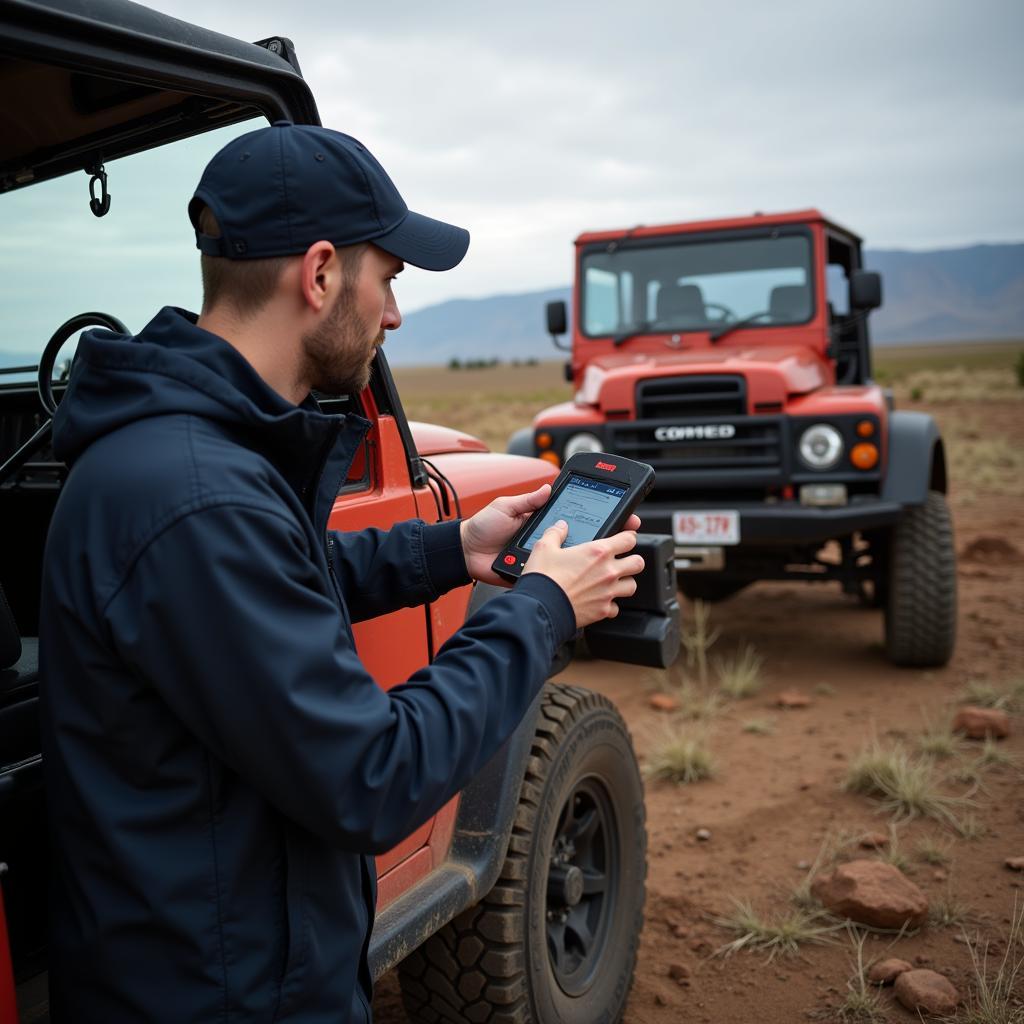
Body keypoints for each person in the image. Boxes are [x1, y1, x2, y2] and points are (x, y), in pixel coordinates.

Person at [39, 121, 643, 1023]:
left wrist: (455, 548)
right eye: (389, 278)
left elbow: (279, 576)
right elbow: (373, 775)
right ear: (320, 275)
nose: (395, 314)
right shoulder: (202, 496)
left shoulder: (188, 456)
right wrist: (543, 610)